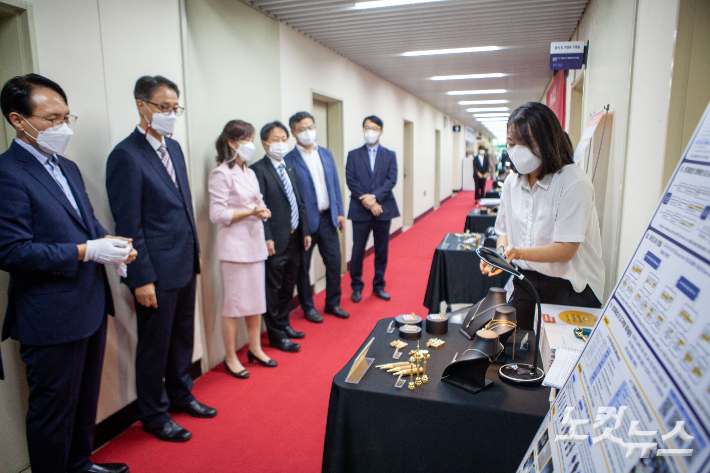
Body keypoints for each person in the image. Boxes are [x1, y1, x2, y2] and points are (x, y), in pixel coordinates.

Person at [0, 74, 135, 473]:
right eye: (51, 119)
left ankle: (79, 463)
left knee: (83, 400)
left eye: (66, 117)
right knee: (52, 411)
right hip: (49, 315)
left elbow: (87, 223)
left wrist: (111, 245)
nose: (63, 127)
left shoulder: (69, 167)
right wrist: (85, 251)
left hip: (89, 304)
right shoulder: (7, 173)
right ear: (18, 120)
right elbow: (11, 251)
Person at [106, 75, 216, 443]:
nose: (170, 115)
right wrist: (141, 278)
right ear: (142, 105)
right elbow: (129, 224)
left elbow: (183, 209)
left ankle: (182, 395)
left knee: (183, 337)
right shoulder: (125, 156)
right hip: (154, 271)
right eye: (163, 107)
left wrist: (196, 256)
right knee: (154, 346)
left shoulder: (175, 149)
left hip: (184, 263)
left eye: (174, 108)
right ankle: (154, 415)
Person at [480, 102, 604, 330]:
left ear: (546, 141)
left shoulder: (572, 181)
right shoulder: (511, 183)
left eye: (525, 143)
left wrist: (518, 252)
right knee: (521, 353)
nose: (516, 150)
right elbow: (503, 233)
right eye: (511, 143)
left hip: (571, 287)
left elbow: (567, 248)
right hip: (525, 280)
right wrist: (500, 258)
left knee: (560, 356)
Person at [208, 120, 276, 378]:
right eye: (246, 140)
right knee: (234, 306)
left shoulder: (249, 172)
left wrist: (263, 210)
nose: (250, 145)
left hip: (254, 244)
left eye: (251, 139)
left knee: (256, 302)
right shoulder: (221, 173)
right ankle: (230, 357)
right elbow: (217, 213)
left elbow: (258, 202)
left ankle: (256, 348)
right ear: (232, 142)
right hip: (234, 249)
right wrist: (250, 211)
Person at [251, 122, 311, 352]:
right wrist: (266, 238)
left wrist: (304, 231)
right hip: (275, 240)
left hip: (295, 237)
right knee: (273, 288)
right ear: (265, 143)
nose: (281, 143)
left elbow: (298, 201)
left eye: (284, 138)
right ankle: (275, 334)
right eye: (275, 139)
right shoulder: (259, 170)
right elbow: (260, 208)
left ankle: (285, 324)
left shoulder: (289, 168)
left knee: (288, 285)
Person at [285, 112, 348, 323]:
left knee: (334, 262)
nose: (308, 132)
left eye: (310, 127)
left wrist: (339, 211)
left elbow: (334, 185)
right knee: (303, 267)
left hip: (328, 219)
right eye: (302, 129)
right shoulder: (289, 160)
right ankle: (308, 307)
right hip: (304, 225)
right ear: (293, 133)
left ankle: (332, 303)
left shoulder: (326, 154)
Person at [346, 115, 399, 303]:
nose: (370, 131)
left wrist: (375, 198)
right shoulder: (353, 155)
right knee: (358, 249)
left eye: (374, 128)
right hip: (360, 210)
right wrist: (367, 200)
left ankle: (378, 286)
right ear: (363, 130)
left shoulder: (390, 155)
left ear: (381, 131)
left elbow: (391, 180)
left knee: (381, 249)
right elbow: (351, 180)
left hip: (383, 208)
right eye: (367, 128)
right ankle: (356, 286)